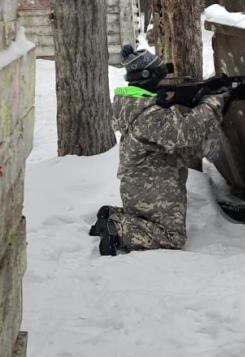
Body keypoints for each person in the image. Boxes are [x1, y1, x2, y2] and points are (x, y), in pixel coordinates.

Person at [90, 46, 229, 256]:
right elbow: (186, 133)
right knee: (172, 238)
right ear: (148, 78)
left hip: (141, 185)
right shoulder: (149, 115)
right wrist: (214, 103)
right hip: (151, 187)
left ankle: (111, 216)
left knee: (152, 223)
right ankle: (118, 230)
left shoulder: (133, 102)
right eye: (160, 77)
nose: (164, 82)